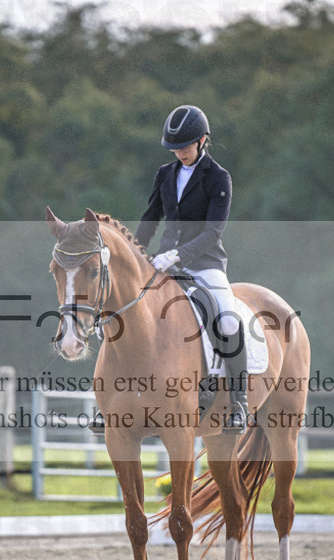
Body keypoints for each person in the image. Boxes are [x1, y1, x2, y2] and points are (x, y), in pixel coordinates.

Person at [133, 104, 248, 434]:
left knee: (226, 318)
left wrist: (177, 256)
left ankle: (238, 402)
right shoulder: (165, 174)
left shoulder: (219, 178)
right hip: (162, 263)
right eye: (175, 148)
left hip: (205, 264)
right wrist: (137, 253)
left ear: (202, 141)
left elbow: (213, 232)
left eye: (185, 146)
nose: (180, 152)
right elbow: (151, 218)